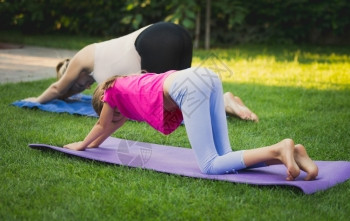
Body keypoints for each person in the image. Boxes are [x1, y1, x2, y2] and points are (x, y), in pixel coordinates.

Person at [64, 67, 318, 180]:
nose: (115, 120)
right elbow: (107, 130)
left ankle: (278, 148)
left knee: (209, 165)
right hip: (206, 75)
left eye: (114, 114)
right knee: (224, 157)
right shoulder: (127, 92)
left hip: (189, 86)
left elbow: (101, 125)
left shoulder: (112, 93)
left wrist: (81, 145)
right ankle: (292, 154)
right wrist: (94, 144)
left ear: (107, 103)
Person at [24, 22, 258, 122]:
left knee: (168, 102)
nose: (83, 87)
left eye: (75, 84)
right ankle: (224, 100)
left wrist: (36, 100)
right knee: (183, 96)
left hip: (155, 40)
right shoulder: (96, 71)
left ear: (69, 72)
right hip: (174, 36)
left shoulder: (81, 57)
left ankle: (225, 102)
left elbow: (57, 88)